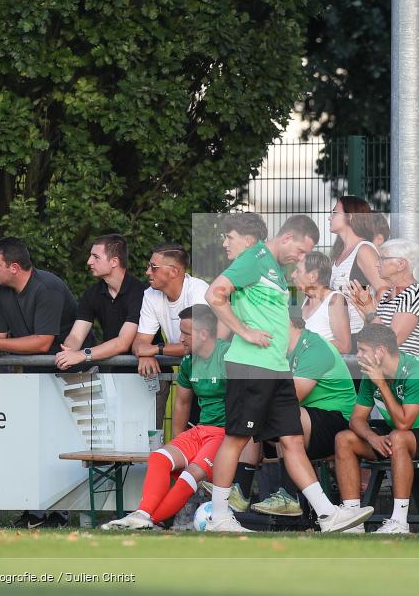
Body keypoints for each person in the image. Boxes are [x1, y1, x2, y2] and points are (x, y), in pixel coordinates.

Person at [204, 214, 373, 532]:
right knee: (237, 438)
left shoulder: (274, 270)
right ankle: (220, 517)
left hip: (277, 369)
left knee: (293, 440)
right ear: (286, 239)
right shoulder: (253, 259)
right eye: (299, 251)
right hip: (252, 367)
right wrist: (245, 331)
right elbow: (215, 294)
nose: (300, 259)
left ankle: (327, 514)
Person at [0, 237, 79, 529]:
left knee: (60, 445)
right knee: (32, 443)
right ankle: (35, 511)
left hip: (72, 376)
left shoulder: (48, 288)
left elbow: (44, 343)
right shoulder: (0, 290)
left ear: (14, 267)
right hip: (34, 377)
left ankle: (59, 513)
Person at [101, 305, 230, 530]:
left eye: (185, 333)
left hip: (225, 433)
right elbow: (181, 403)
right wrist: (178, 445)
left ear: (203, 334)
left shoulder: (229, 356)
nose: (180, 339)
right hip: (200, 430)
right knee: (159, 458)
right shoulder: (190, 361)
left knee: (190, 476)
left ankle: (146, 520)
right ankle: (142, 514)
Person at [334, 324, 419, 534]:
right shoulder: (371, 375)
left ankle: (399, 522)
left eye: (363, 350)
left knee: (399, 436)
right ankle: (352, 521)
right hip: (401, 438)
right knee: (344, 439)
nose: (358, 355)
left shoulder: (417, 371)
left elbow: (403, 424)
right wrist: (372, 438)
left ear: (380, 351)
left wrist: (381, 384)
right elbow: (356, 419)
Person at [250, 315, 356, 517]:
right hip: (304, 420)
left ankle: (289, 497)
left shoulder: (314, 347)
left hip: (339, 422)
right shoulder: (281, 352)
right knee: (253, 417)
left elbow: (291, 397)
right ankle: (239, 490)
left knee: (280, 415)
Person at [132, 243, 210, 429]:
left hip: (216, 374)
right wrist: (145, 354)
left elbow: (197, 344)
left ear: (174, 271)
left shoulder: (198, 291)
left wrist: (156, 349)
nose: (147, 272)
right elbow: (139, 344)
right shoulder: (151, 295)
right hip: (192, 371)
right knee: (186, 435)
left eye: (153, 267)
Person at [56, 235, 148, 370]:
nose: (89, 261)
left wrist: (82, 354)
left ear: (114, 262)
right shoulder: (91, 294)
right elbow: (76, 335)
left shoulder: (141, 293)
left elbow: (122, 343)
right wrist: (67, 354)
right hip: (116, 374)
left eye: (96, 257)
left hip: (149, 373)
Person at [347, 238, 419, 356]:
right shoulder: (388, 294)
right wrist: (366, 316)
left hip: (402, 369)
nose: (376, 264)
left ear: (401, 264)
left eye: (382, 259)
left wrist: (371, 313)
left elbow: (392, 341)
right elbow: (372, 337)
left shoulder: (414, 293)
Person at [328, 196, 387, 341]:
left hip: (359, 335)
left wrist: (371, 316)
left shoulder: (364, 250)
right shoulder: (339, 253)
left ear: (350, 216)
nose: (329, 218)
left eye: (335, 213)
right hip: (342, 335)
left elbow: (384, 290)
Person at [291, 251, 351, 353]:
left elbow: (344, 346)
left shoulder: (334, 300)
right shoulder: (305, 301)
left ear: (313, 277)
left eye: (298, 271)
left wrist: (305, 343)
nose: (292, 275)